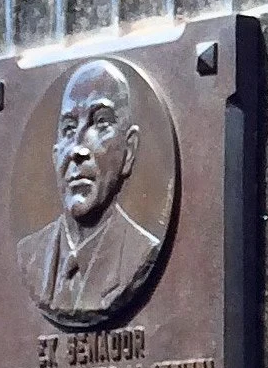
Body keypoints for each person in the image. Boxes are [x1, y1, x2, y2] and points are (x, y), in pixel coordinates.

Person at [17, 59, 166, 327]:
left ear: (129, 151)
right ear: (55, 156)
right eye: (69, 128)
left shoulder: (140, 252)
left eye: (100, 123)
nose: (78, 148)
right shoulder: (30, 254)